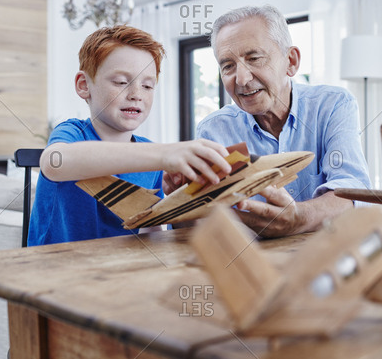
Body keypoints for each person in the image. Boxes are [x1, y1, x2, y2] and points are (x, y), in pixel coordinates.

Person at [28, 25, 231, 246]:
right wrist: (165, 153)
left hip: (118, 272)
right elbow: (54, 162)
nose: (136, 95)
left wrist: (183, 203)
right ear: (84, 85)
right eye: (122, 82)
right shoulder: (72, 133)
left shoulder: (152, 159)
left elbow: (151, 236)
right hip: (54, 270)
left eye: (147, 86)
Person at [194, 5, 371, 238]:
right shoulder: (213, 130)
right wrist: (188, 199)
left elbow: (353, 190)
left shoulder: (333, 105)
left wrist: (299, 217)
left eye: (254, 58)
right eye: (228, 66)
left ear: (291, 61)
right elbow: (205, 217)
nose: (242, 79)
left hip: (328, 252)